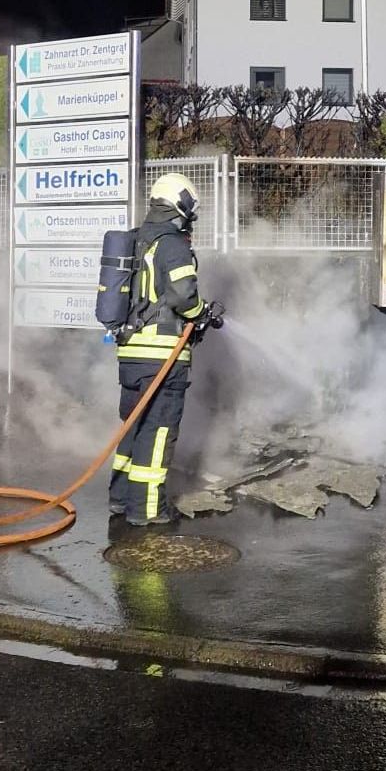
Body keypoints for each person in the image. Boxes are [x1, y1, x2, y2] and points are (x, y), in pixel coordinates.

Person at [109, 172, 222, 526]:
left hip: (131, 354)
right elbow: (183, 295)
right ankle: (146, 510)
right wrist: (202, 313)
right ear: (180, 203)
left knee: (134, 426)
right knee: (158, 432)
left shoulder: (139, 238)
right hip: (162, 356)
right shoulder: (172, 243)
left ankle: (121, 500)